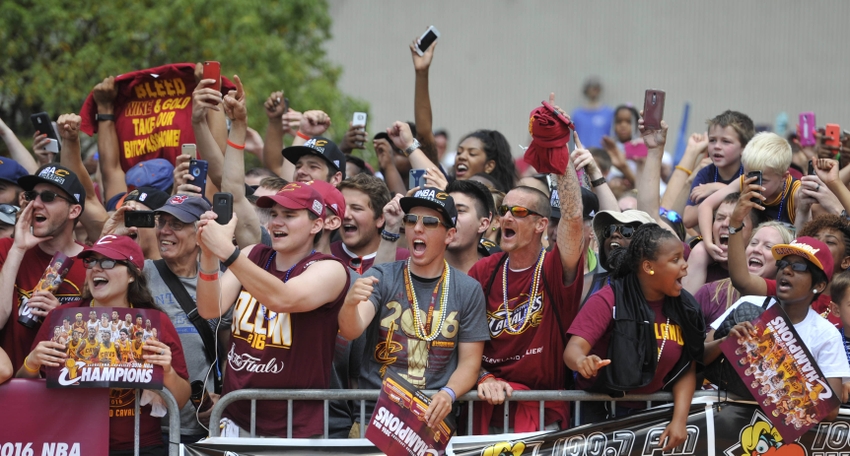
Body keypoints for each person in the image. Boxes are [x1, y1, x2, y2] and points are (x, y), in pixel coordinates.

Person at [195, 181, 350, 438]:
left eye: (289, 215)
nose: (277, 222)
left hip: (293, 428)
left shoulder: (330, 268)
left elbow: (283, 298)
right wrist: (209, 253)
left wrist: (225, 250)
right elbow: (210, 308)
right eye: (274, 214)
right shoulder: (252, 254)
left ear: (316, 225)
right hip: (235, 417)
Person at [469, 97, 584, 432]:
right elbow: (461, 339)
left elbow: (574, 220)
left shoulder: (552, 267)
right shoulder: (484, 270)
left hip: (541, 413)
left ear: (539, 225)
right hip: (485, 406)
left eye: (518, 212)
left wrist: (561, 159)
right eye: (504, 209)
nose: (506, 216)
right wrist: (484, 376)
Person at [17, 235, 190, 455]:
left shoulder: (154, 324)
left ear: (131, 274)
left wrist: (167, 372)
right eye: (91, 261)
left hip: (139, 446)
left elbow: (181, 401)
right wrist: (32, 363)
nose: (96, 268)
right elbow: (21, 390)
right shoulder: (61, 319)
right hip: (72, 442)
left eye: (108, 262)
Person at [338, 187, 489, 429]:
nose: (417, 228)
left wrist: (449, 393)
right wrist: (349, 304)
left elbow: (470, 363)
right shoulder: (382, 275)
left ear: (449, 235)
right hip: (375, 419)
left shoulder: (468, 289)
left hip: (433, 423)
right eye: (411, 220)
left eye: (429, 222)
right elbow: (351, 330)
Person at [564, 224, 704, 451]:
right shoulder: (609, 298)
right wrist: (582, 362)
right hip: (599, 414)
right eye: (675, 259)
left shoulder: (686, 307)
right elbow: (573, 350)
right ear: (648, 267)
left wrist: (679, 420)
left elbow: (686, 368)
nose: (685, 265)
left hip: (653, 415)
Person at [704, 236, 850, 419]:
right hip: (724, 424)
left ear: (819, 285)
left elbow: (830, 411)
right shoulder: (749, 305)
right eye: (783, 264)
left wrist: (781, 376)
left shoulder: (826, 334)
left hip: (781, 442)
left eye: (798, 267)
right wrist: (725, 342)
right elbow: (698, 358)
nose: (787, 270)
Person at [0, 164, 88, 371]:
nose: (36, 204)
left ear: (74, 210)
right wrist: (18, 248)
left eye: (48, 197)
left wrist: (61, 318)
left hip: (66, 392)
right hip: (10, 390)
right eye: (32, 196)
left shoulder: (93, 262)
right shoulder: (6, 249)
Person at [698, 132, 801, 259]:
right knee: (699, 250)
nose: (753, 184)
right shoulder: (743, 182)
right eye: (749, 176)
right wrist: (708, 243)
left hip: (779, 256)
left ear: (783, 177)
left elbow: (802, 239)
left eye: (762, 181)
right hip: (749, 250)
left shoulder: (795, 194)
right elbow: (705, 206)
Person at [694, 221, 794, 326]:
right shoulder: (711, 293)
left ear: (783, 262)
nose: (756, 250)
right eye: (753, 243)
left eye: (768, 247)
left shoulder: (786, 307)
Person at [683, 110, 754, 228]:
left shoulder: (750, 172)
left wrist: (718, 189)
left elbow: (754, 211)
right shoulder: (705, 174)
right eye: (712, 140)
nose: (717, 146)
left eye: (726, 141)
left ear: (744, 148)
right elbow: (688, 219)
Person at [332, 174, 409, 273]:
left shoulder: (404, 260)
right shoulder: (325, 256)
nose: (346, 215)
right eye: (342, 207)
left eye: (356, 208)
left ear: (381, 218)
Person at [445, 179, 493, 273]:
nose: (451, 217)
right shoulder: (419, 269)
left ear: (483, 224)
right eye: (447, 210)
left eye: (460, 210)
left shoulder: (495, 274)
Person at [453, 130, 517, 193]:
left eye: (472, 153)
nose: (461, 156)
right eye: (459, 152)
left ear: (489, 166)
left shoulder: (496, 201)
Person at [570, 77, 614, 149]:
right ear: (586, 90)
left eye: (596, 88)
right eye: (591, 88)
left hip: (602, 155)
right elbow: (572, 137)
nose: (593, 91)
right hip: (582, 154)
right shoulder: (577, 114)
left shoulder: (608, 113)